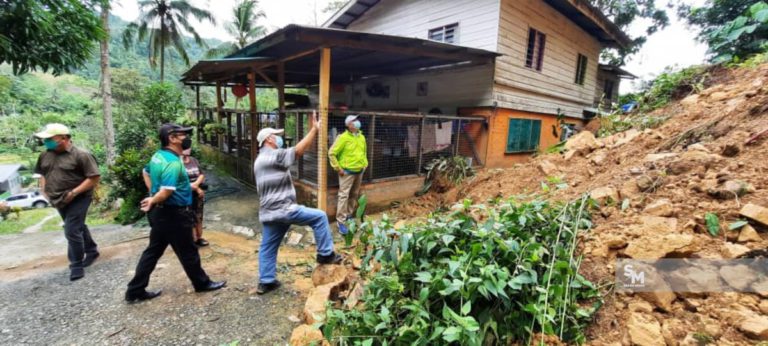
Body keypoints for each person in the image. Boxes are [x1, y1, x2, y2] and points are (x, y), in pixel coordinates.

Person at [125, 124, 225, 303]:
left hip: (160, 214)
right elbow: (166, 191)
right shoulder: (172, 162)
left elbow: (145, 172)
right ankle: (202, 283)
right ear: (171, 138)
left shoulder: (158, 156)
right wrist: (154, 198)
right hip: (174, 215)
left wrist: (152, 194)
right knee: (188, 251)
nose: (186, 138)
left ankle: (134, 290)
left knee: (153, 251)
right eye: (182, 135)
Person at [254, 112, 342, 295]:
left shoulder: (260, 159)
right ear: (269, 139)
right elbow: (298, 151)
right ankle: (325, 254)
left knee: (268, 246)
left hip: (270, 212)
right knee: (319, 217)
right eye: (276, 136)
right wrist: (314, 130)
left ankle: (266, 281)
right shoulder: (272, 156)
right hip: (283, 209)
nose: (279, 138)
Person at [34, 123, 100, 281]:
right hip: (57, 198)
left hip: (79, 197)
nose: (46, 141)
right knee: (77, 226)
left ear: (63, 138)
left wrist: (74, 192)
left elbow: (94, 178)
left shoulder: (82, 155)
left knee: (71, 230)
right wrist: (44, 191)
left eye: (50, 138)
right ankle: (92, 251)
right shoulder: (44, 155)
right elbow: (42, 173)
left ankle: (76, 265)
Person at [142, 148, 208, 247]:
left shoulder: (193, 160)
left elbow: (201, 174)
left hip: (196, 195)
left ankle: (198, 238)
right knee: (189, 218)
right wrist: (153, 192)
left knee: (198, 216)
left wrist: (196, 185)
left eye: (188, 146)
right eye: (184, 147)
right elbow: (176, 183)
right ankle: (191, 241)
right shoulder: (173, 163)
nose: (187, 149)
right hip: (183, 196)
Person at [328, 115, 368, 234]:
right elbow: (331, 153)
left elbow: (364, 152)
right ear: (348, 125)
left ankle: (349, 215)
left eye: (357, 120)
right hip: (347, 172)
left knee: (354, 194)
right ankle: (341, 221)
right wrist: (338, 168)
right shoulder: (343, 138)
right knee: (343, 196)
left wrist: (365, 164)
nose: (357, 122)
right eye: (354, 121)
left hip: (359, 171)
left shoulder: (361, 137)